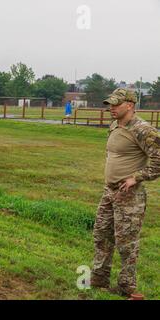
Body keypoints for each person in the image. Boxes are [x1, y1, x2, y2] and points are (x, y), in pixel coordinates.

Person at [90, 88, 160, 297]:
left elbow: (159, 160)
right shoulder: (114, 125)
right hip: (109, 191)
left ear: (129, 105)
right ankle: (99, 280)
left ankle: (126, 286)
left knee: (126, 242)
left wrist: (135, 178)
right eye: (110, 104)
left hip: (129, 195)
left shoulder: (143, 130)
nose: (111, 108)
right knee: (101, 235)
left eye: (116, 104)